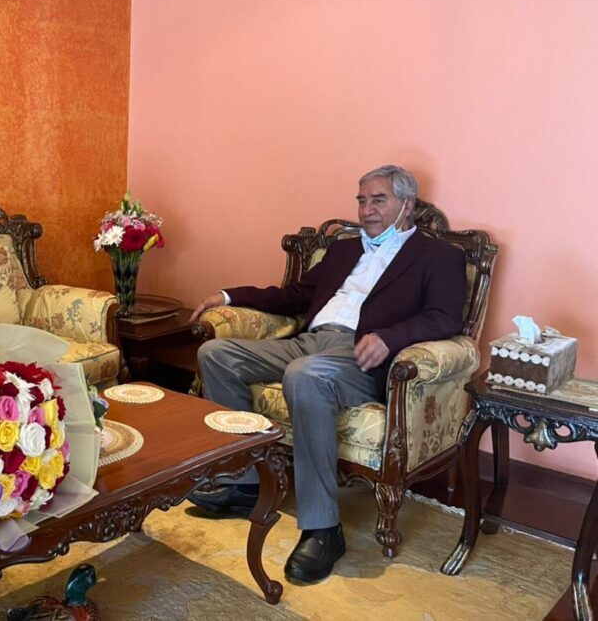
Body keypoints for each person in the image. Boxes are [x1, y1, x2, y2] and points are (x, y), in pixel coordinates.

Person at [187, 165, 466, 584]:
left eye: (378, 200)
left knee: (305, 375)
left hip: (361, 356)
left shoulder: (439, 256)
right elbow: (294, 295)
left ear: (407, 205)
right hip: (309, 342)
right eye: (361, 200)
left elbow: (445, 317)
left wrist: (389, 338)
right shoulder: (344, 249)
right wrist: (227, 296)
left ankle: (323, 529)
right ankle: (245, 485)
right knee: (216, 354)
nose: (366, 210)